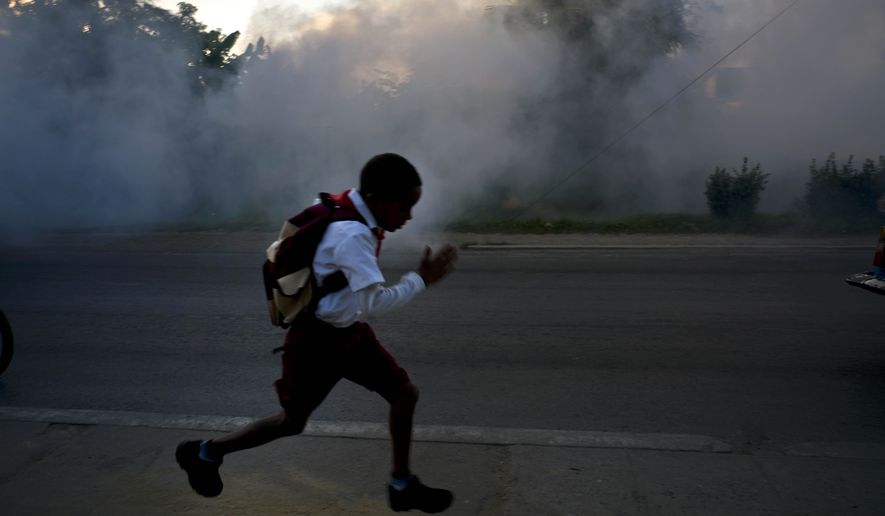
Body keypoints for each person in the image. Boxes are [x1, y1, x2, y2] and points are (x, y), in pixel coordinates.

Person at [176, 153, 458, 513]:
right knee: (291, 422)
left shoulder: (341, 206)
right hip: (316, 342)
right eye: (404, 206)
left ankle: (401, 485)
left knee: (404, 393)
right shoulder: (353, 233)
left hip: (348, 332)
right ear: (374, 201)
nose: (409, 216)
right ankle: (204, 453)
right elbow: (374, 303)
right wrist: (421, 280)